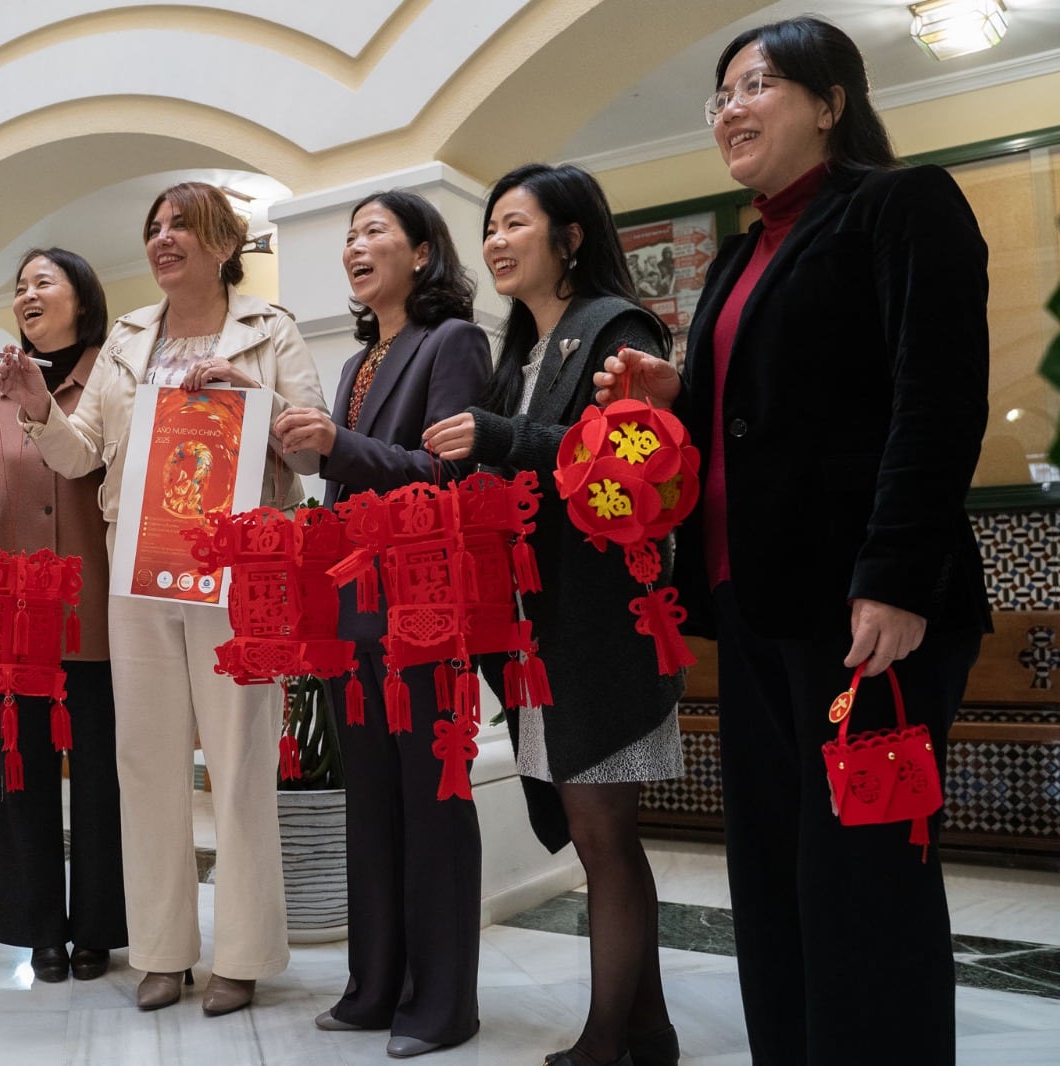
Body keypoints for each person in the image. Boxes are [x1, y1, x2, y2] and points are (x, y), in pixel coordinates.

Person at [594, 17, 990, 1065]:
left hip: (865, 616)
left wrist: (897, 577)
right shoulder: (735, 254)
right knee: (771, 873)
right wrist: (670, 393)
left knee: (862, 879)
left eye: (755, 84)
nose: (728, 106)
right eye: (718, 92)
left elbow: (935, 399)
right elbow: (741, 413)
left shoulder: (901, 207)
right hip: (754, 603)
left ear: (830, 101)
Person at [0, 181, 327, 1016]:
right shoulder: (128, 342)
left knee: (241, 759)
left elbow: (314, 443)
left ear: (224, 242)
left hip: (240, 572)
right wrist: (39, 411)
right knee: (143, 760)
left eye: (182, 224)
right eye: (154, 227)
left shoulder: (269, 329)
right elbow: (83, 457)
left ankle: (243, 957)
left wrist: (253, 396)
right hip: (140, 570)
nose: (163, 237)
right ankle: (161, 950)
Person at [424, 164, 682, 1066]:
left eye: (516, 224)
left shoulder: (616, 329)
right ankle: (645, 1030)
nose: (495, 240)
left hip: (602, 627)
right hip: (541, 626)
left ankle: (613, 1035)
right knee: (592, 835)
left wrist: (496, 440)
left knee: (605, 838)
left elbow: (619, 467)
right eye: (489, 226)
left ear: (570, 236)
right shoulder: (523, 354)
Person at [275, 190, 490, 1058]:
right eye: (350, 235)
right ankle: (374, 986)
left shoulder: (452, 342)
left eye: (375, 232)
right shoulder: (362, 360)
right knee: (371, 799)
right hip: (356, 609)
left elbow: (442, 476)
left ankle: (443, 1003)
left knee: (433, 800)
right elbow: (353, 474)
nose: (355, 247)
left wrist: (337, 445)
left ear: (424, 254)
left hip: (424, 606)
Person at [0, 248, 128, 983]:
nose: (27, 295)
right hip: (14, 608)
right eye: (19, 287)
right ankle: (37, 925)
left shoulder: (115, 376)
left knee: (104, 775)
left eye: (44, 281)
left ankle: (102, 926)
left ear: (83, 297)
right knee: (20, 772)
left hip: (99, 605)